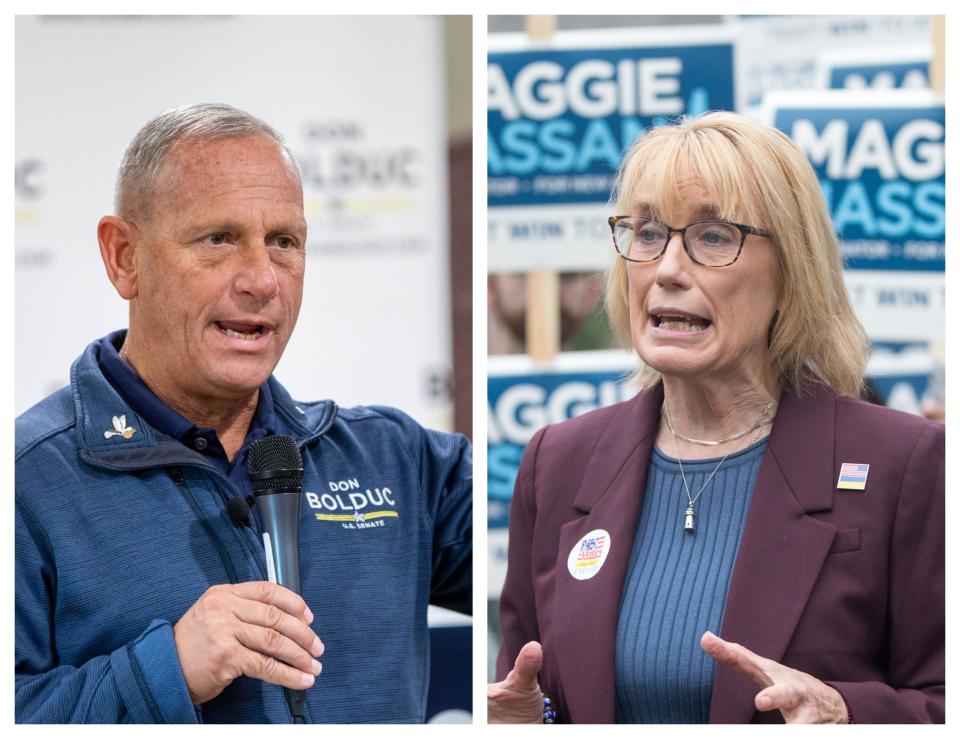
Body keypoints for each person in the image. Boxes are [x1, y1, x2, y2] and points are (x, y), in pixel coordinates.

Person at [16, 103, 472, 724]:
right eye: (218, 239)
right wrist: (165, 672)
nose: (261, 279)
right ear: (124, 256)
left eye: (284, 241)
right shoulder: (26, 483)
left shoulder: (395, 459)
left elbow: (590, 532)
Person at [488, 111, 943, 724]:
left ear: (792, 270)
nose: (668, 269)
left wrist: (846, 715)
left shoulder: (906, 463)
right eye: (647, 233)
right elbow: (531, 694)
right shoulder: (558, 463)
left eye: (712, 237)